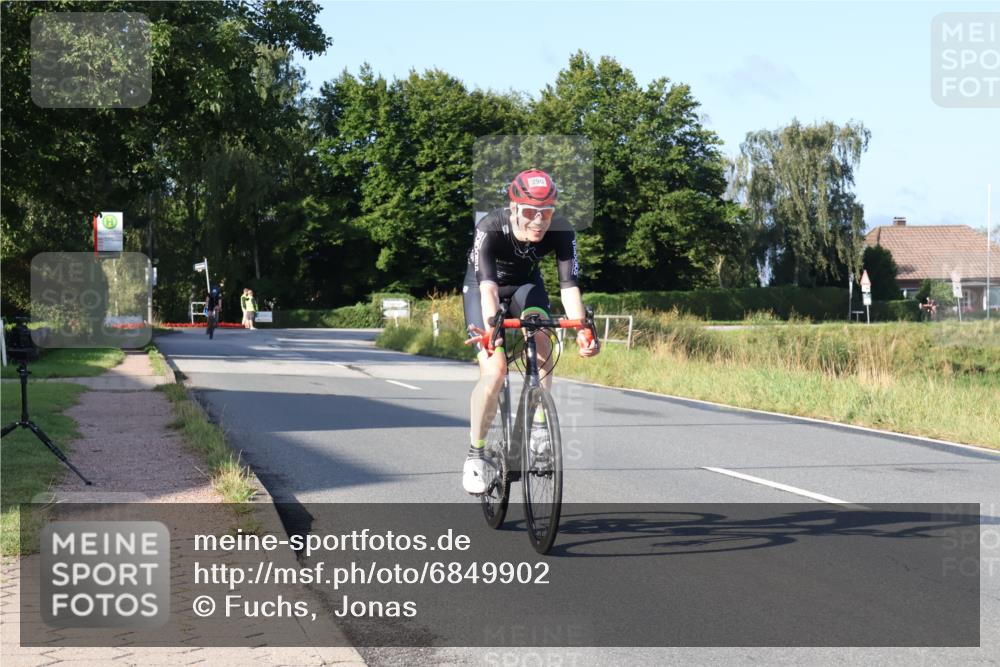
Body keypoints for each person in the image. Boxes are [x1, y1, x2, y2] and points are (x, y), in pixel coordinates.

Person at [460, 169, 599, 495]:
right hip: (483, 288)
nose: (539, 221)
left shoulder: (562, 230)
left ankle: (538, 429)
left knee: (542, 338)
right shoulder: (490, 227)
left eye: (547, 212)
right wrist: (492, 333)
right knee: (495, 372)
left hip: (526, 287)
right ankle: (476, 454)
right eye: (531, 212)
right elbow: (489, 291)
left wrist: (582, 331)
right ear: (514, 207)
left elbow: (569, 287)